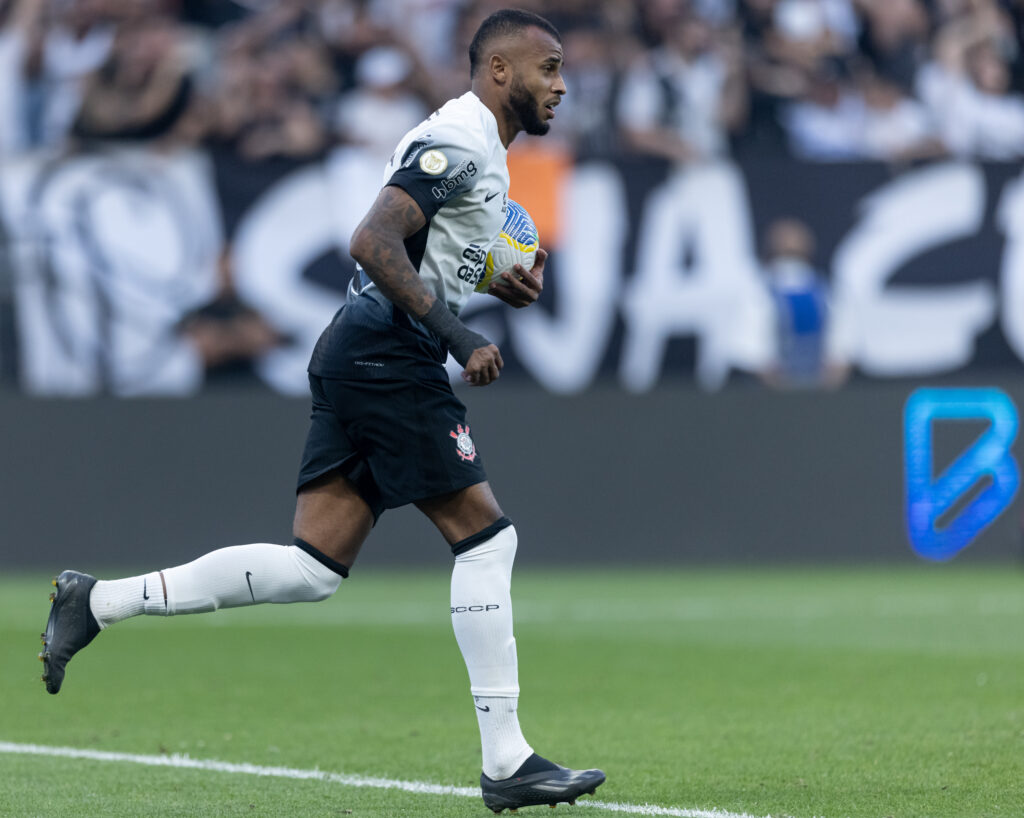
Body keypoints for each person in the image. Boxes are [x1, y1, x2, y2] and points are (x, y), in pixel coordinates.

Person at [39, 8, 605, 814]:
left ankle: (95, 602)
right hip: (388, 351)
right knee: (487, 541)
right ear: (500, 71)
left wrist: (491, 281)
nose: (561, 85)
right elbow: (372, 241)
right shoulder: (461, 142)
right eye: (548, 68)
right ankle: (507, 762)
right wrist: (458, 335)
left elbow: (421, 251)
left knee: (311, 570)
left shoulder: (478, 148)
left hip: (360, 347)